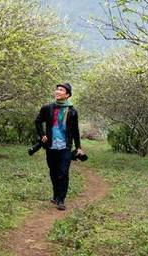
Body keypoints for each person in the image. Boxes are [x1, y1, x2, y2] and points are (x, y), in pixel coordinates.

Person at [34, 82, 85, 210]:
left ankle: (61, 200)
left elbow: (75, 131)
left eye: (61, 90)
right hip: (51, 146)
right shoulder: (47, 108)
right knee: (53, 172)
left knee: (63, 172)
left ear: (67, 95)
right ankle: (56, 195)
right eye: (57, 89)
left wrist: (78, 147)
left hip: (65, 147)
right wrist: (42, 135)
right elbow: (38, 121)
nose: (57, 92)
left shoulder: (72, 111)